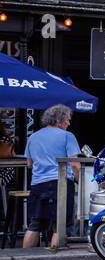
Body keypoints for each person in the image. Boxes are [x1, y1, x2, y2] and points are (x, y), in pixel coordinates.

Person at [22, 105, 81, 249]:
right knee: (60, 225)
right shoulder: (68, 136)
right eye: (67, 120)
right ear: (59, 120)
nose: (69, 123)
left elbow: (29, 163)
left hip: (38, 184)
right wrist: (80, 181)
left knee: (35, 224)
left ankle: (23, 259)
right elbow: (74, 164)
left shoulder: (33, 137)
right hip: (60, 184)